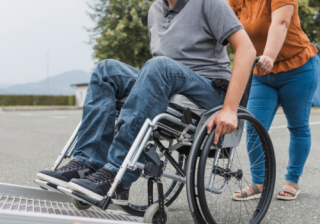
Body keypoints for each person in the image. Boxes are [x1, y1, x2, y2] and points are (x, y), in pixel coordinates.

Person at [36, 0, 256, 204]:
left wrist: (230, 109)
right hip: (167, 82)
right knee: (106, 71)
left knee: (159, 66)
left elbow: (247, 49)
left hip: (207, 91)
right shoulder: (155, 10)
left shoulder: (209, 3)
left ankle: (117, 171)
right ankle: (87, 163)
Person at [228, 0, 319, 200]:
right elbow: (225, 25)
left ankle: (292, 181)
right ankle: (259, 183)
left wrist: (269, 54)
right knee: (254, 127)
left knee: (297, 126)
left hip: (298, 67)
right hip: (262, 71)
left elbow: (281, 23)